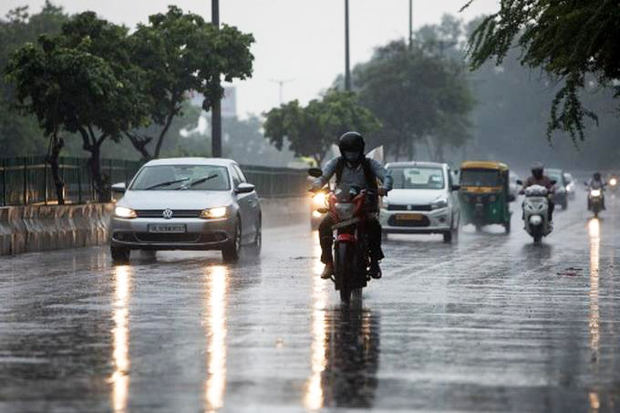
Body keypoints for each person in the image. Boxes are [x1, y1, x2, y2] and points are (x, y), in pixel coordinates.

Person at [311, 131, 392, 280]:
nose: (352, 155)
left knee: (374, 226)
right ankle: (328, 263)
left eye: (354, 151)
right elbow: (323, 176)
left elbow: (386, 175)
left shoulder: (369, 164)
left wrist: (385, 187)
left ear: (360, 150)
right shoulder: (336, 163)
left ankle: (374, 262)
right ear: (343, 151)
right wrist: (316, 185)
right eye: (348, 152)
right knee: (324, 227)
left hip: (364, 206)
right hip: (341, 206)